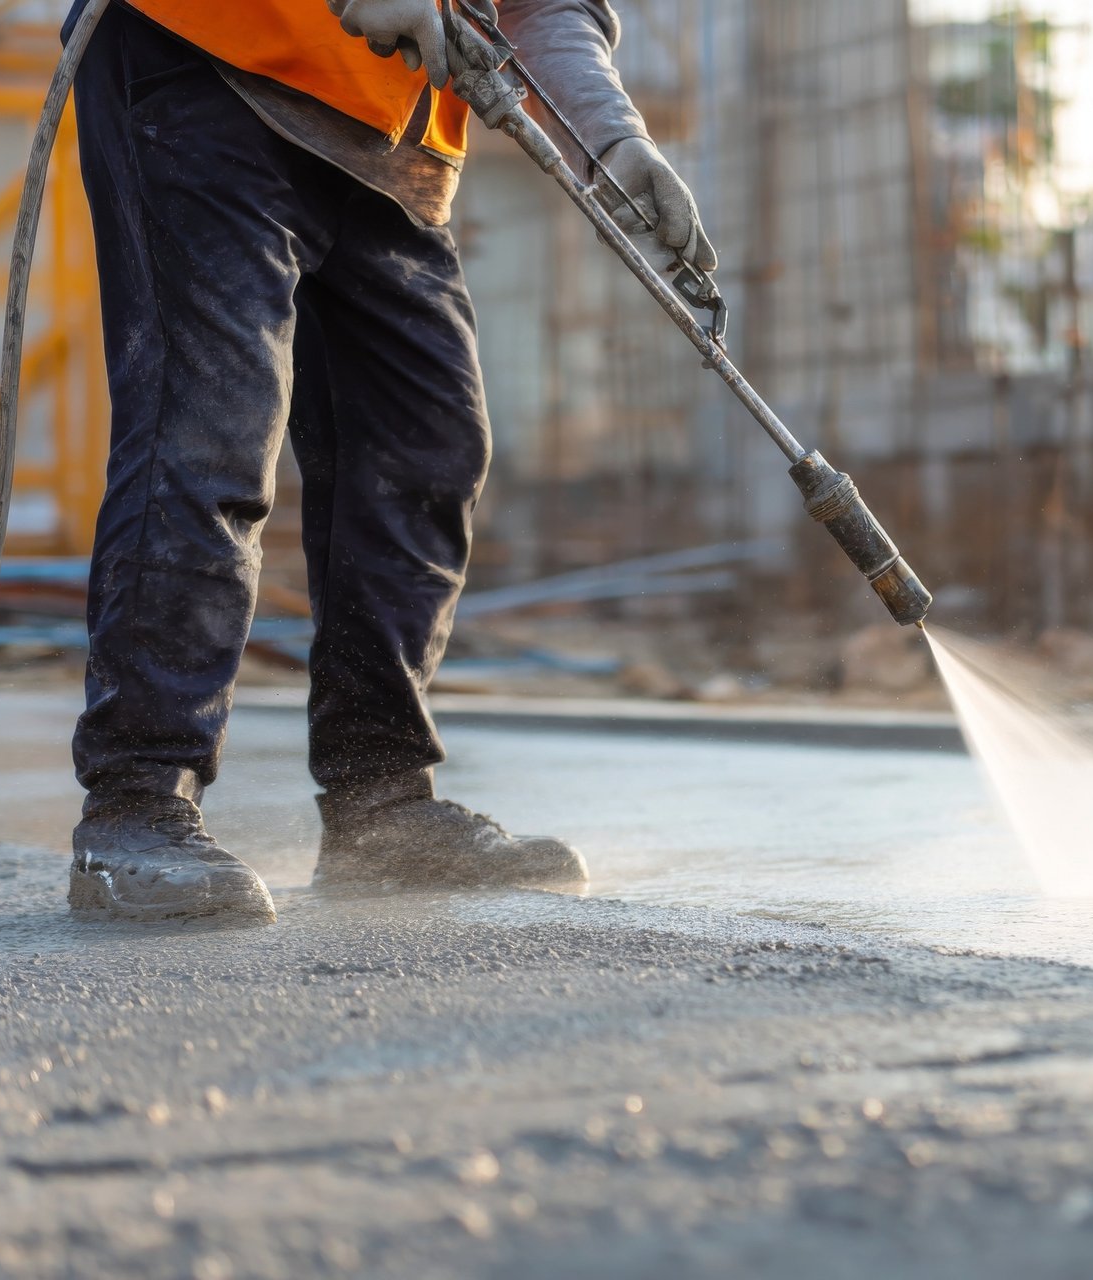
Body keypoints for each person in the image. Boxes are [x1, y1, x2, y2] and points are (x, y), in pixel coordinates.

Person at [60, 0, 715, 923]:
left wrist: (609, 137)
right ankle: (135, 802)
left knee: (426, 443)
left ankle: (381, 807)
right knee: (209, 426)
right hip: (210, 58)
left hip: (388, 142)